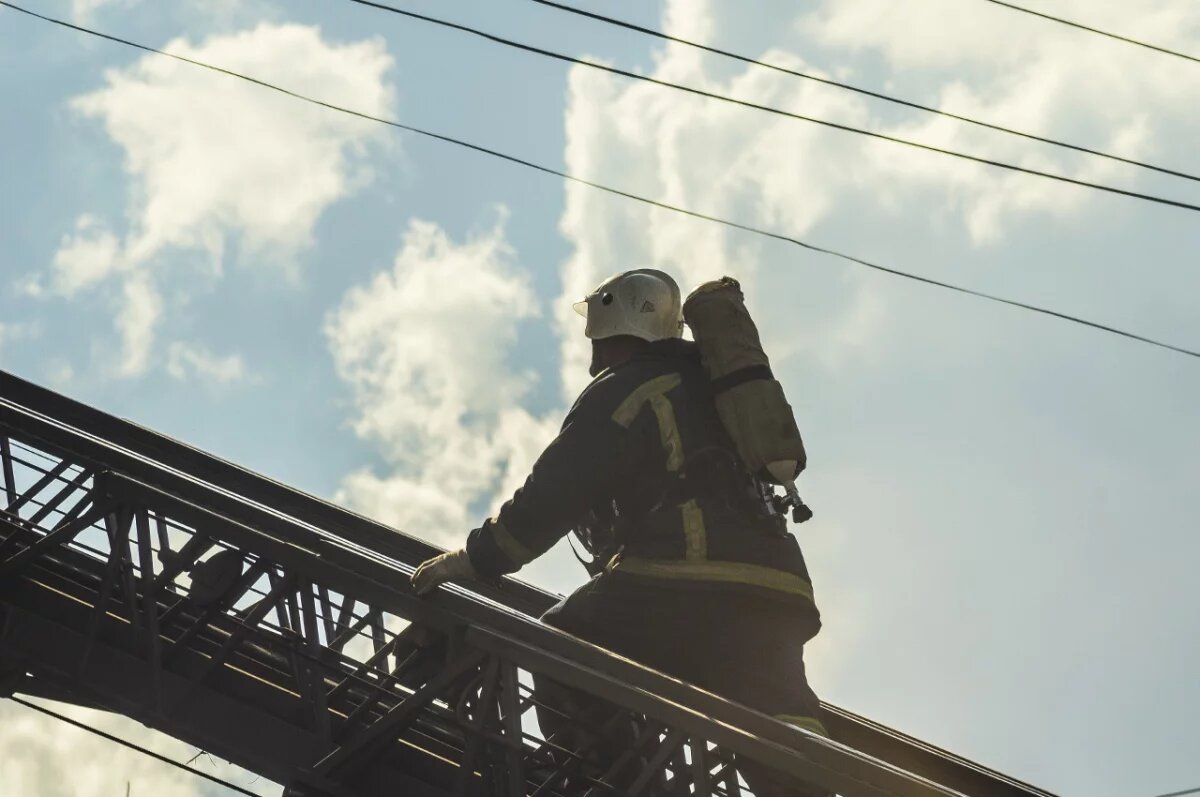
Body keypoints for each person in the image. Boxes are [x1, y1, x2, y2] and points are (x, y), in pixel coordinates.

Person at [412, 269, 828, 796]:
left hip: (684, 575)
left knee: (563, 648)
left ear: (613, 324)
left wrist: (475, 559)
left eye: (597, 343)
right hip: (777, 591)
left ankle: (614, 784)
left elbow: (553, 493)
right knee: (784, 725)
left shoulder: (628, 390)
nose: (593, 360)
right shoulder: (716, 389)